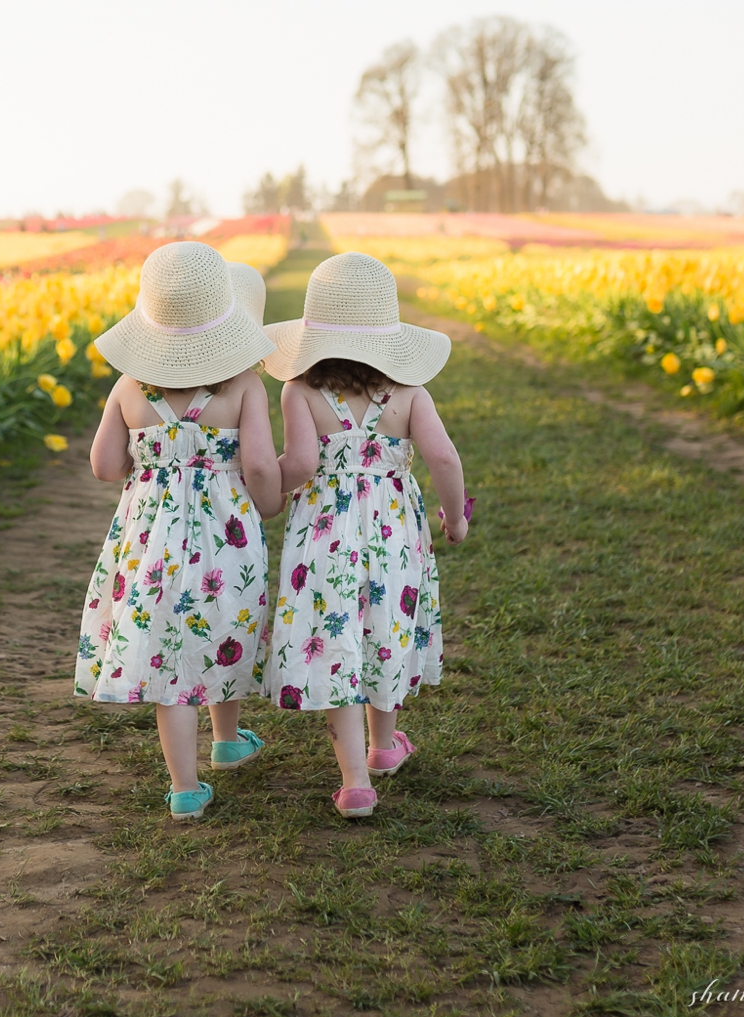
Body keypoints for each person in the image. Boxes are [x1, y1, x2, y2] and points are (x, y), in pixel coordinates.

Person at [77, 242, 282, 819]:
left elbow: (104, 466)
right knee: (222, 628)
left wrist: (152, 461)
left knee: (169, 652)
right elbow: (260, 466)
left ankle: (189, 783)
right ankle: (225, 740)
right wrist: (268, 504)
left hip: (151, 543)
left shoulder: (129, 387)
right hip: (225, 539)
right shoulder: (243, 387)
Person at [259, 251, 467, 817]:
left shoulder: (300, 390)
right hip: (392, 529)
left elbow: (301, 463)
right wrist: (455, 518)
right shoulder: (409, 392)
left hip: (324, 531)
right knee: (384, 626)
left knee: (337, 638)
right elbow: (444, 459)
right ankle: (383, 745)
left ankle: (355, 782)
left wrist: (268, 490)